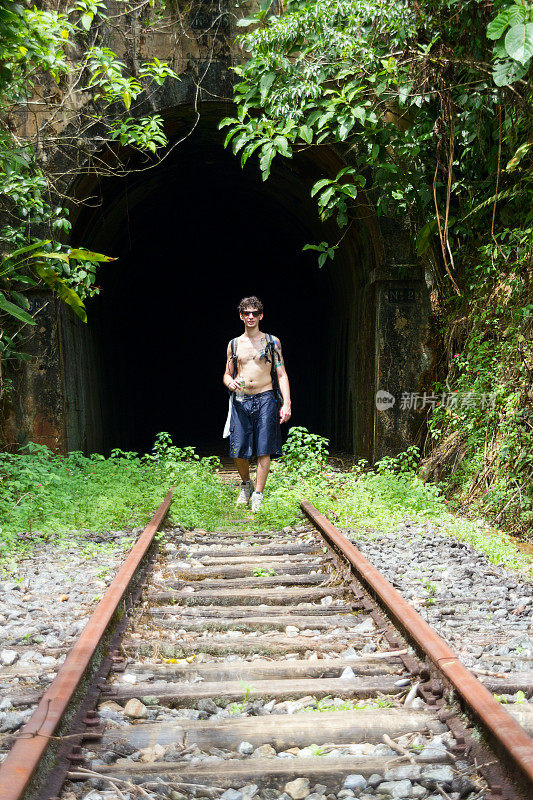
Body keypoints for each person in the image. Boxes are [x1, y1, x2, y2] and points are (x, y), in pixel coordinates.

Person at [223, 296, 291, 512]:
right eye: (246, 313)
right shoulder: (234, 344)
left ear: (261, 315)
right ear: (241, 316)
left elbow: (281, 374)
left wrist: (286, 403)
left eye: (254, 313)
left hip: (265, 397)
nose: (250, 317)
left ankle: (258, 495)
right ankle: (246, 484)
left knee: (264, 447)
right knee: (238, 447)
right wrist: (230, 383)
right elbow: (226, 374)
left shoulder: (272, 342)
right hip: (241, 399)